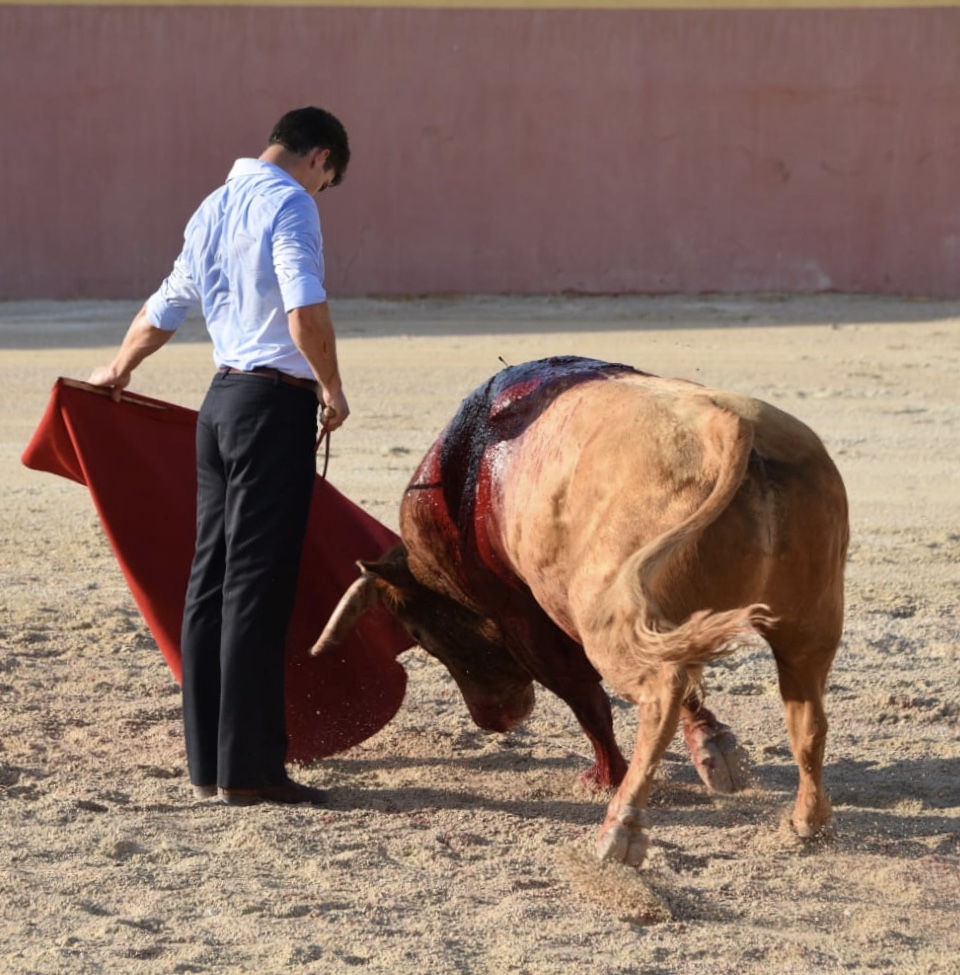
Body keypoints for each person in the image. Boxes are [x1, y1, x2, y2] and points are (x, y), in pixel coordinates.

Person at [88, 106, 351, 807]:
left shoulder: (213, 204)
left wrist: (119, 368)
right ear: (320, 158)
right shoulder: (291, 203)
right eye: (328, 181)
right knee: (254, 588)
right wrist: (331, 385)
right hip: (271, 407)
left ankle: (207, 762)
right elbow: (304, 306)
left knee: (209, 581)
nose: (320, 192)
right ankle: (251, 769)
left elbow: (168, 303)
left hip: (220, 406)